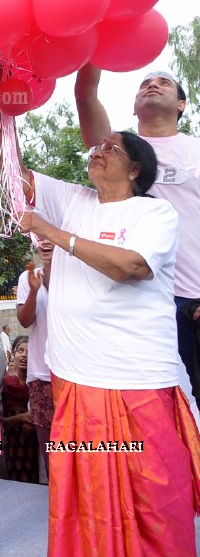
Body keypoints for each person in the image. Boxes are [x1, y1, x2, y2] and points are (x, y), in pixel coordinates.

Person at [19, 129, 200, 556]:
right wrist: (6, 112)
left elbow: (131, 267)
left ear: (135, 168)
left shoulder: (154, 214)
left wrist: (55, 233)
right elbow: (16, 178)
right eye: (97, 148)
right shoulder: (74, 200)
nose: (98, 152)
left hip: (136, 381)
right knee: (85, 507)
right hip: (76, 382)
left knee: (156, 500)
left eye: (111, 148)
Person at [75, 65, 200, 403]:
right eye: (145, 83)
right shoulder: (117, 152)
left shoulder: (195, 150)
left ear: (181, 105)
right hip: (136, 296)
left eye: (164, 83)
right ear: (132, 107)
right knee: (154, 405)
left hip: (193, 296)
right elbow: (85, 96)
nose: (152, 86)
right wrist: (92, 37)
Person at [16, 240, 54, 480]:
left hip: (78, 375)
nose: (45, 241)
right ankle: (60, 510)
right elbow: (24, 320)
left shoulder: (81, 273)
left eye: (50, 234)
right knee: (51, 452)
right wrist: (33, 291)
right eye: (39, 236)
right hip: (42, 375)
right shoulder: (27, 277)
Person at [1, 336, 38, 483]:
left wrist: (33, 422)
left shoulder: (37, 382)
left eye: (29, 352)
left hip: (32, 438)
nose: (24, 355)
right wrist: (21, 418)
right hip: (10, 438)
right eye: (20, 351)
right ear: (13, 354)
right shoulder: (4, 382)